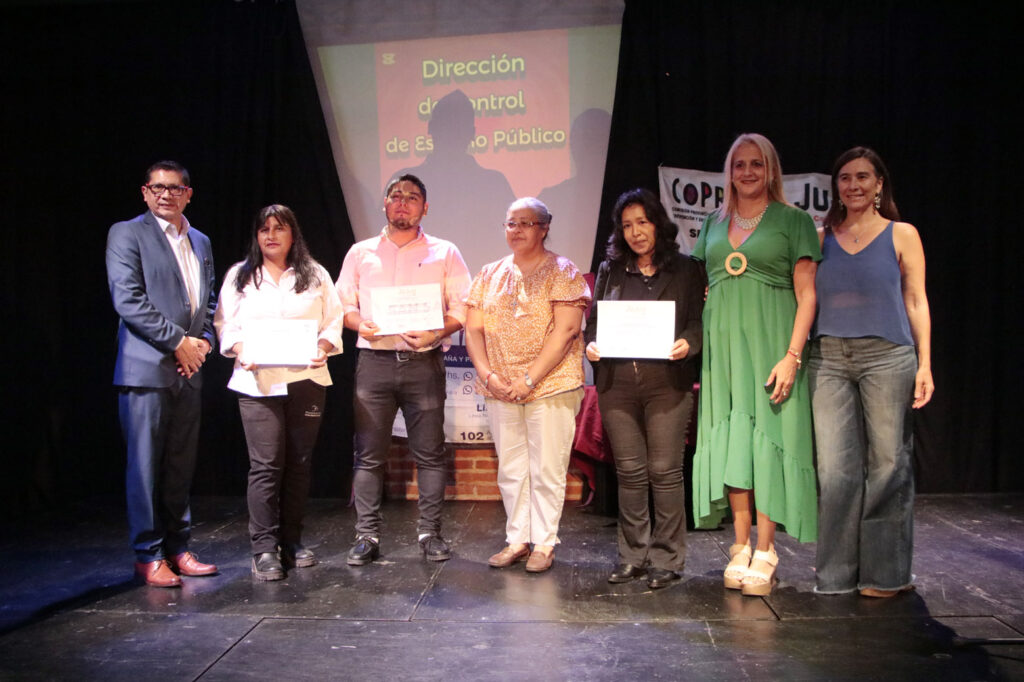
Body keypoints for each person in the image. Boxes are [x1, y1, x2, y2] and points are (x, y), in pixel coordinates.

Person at [691, 134, 820, 596]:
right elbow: (698, 285)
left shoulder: (794, 221)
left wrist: (792, 356)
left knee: (769, 438)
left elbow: (807, 295)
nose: (747, 172)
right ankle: (739, 545)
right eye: (739, 165)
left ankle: (766, 549)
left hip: (772, 346)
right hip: (723, 351)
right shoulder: (712, 223)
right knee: (733, 441)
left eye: (756, 164)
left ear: (771, 170)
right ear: (729, 172)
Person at [810, 147, 933, 598]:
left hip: (888, 357)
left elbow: (916, 300)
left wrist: (926, 362)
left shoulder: (902, 234)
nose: (853, 185)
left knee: (887, 465)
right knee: (835, 471)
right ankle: (836, 576)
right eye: (845, 178)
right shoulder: (820, 237)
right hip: (827, 358)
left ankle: (885, 576)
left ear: (879, 183)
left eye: (862, 176)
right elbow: (800, 296)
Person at [336, 174, 471, 565]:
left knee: (429, 453)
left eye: (412, 197)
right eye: (395, 196)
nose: (402, 202)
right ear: (385, 203)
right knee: (369, 455)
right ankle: (366, 535)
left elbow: (463, 306)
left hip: (423, 363)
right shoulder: (360, 252)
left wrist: (437, 331)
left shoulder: (445, 252)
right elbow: (342, 305)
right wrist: (359, 324)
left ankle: (430, 534)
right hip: (374, 363)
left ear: (424, 208)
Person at [584, 188, 705, 589]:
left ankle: (667, 558)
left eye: (643, 222)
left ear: (658, 223)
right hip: (617, 383)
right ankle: (632, 556)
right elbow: (594, 323)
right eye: (627, 225)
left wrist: (688, 343)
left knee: (665, 471)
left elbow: (698, 322)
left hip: (667, 383)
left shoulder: (686, 269)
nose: (635, 232)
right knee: (630, 472)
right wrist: (592, 345)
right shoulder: (611, 269)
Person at [215, 205, 343, 581]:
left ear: (293, 234)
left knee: (299, 464)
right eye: (264, 229)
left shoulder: (315, 273)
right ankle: (264, 548)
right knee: (266, 465)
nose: (271, 235)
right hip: (258, 382)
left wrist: (323, 346)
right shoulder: (240, 276)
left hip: (307, 379)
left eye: (279, 228)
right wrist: (241, 350)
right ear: (256, 236)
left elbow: (333, 319)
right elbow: (225, 323)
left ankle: (292, 541)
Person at [105, 160, 218, 587]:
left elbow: (207, 301)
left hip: (189, 370)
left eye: (174, 188)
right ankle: (148, 554)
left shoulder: (200, 240)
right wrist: (178, 342)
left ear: (188, 194)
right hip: (146, 369)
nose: (165, 194)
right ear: (145, 192)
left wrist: (203, 342)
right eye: (157, 188)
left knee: (179, 466)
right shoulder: (127, 233)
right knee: (145, 467)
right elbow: (128, 300)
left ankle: (178, 547)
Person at [465, 197, 591, 573]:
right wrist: (488, 375)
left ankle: (544, 543)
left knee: (547, 468)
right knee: (511, 468)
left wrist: (529, 378)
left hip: (551, 384)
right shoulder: (489, 273)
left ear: (544, 228)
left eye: (526, 223)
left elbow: (567, 330)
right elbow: (473, 330)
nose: (516, 230)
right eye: (511, 223)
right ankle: (517, 539)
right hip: (501, 388)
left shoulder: (563, 270)